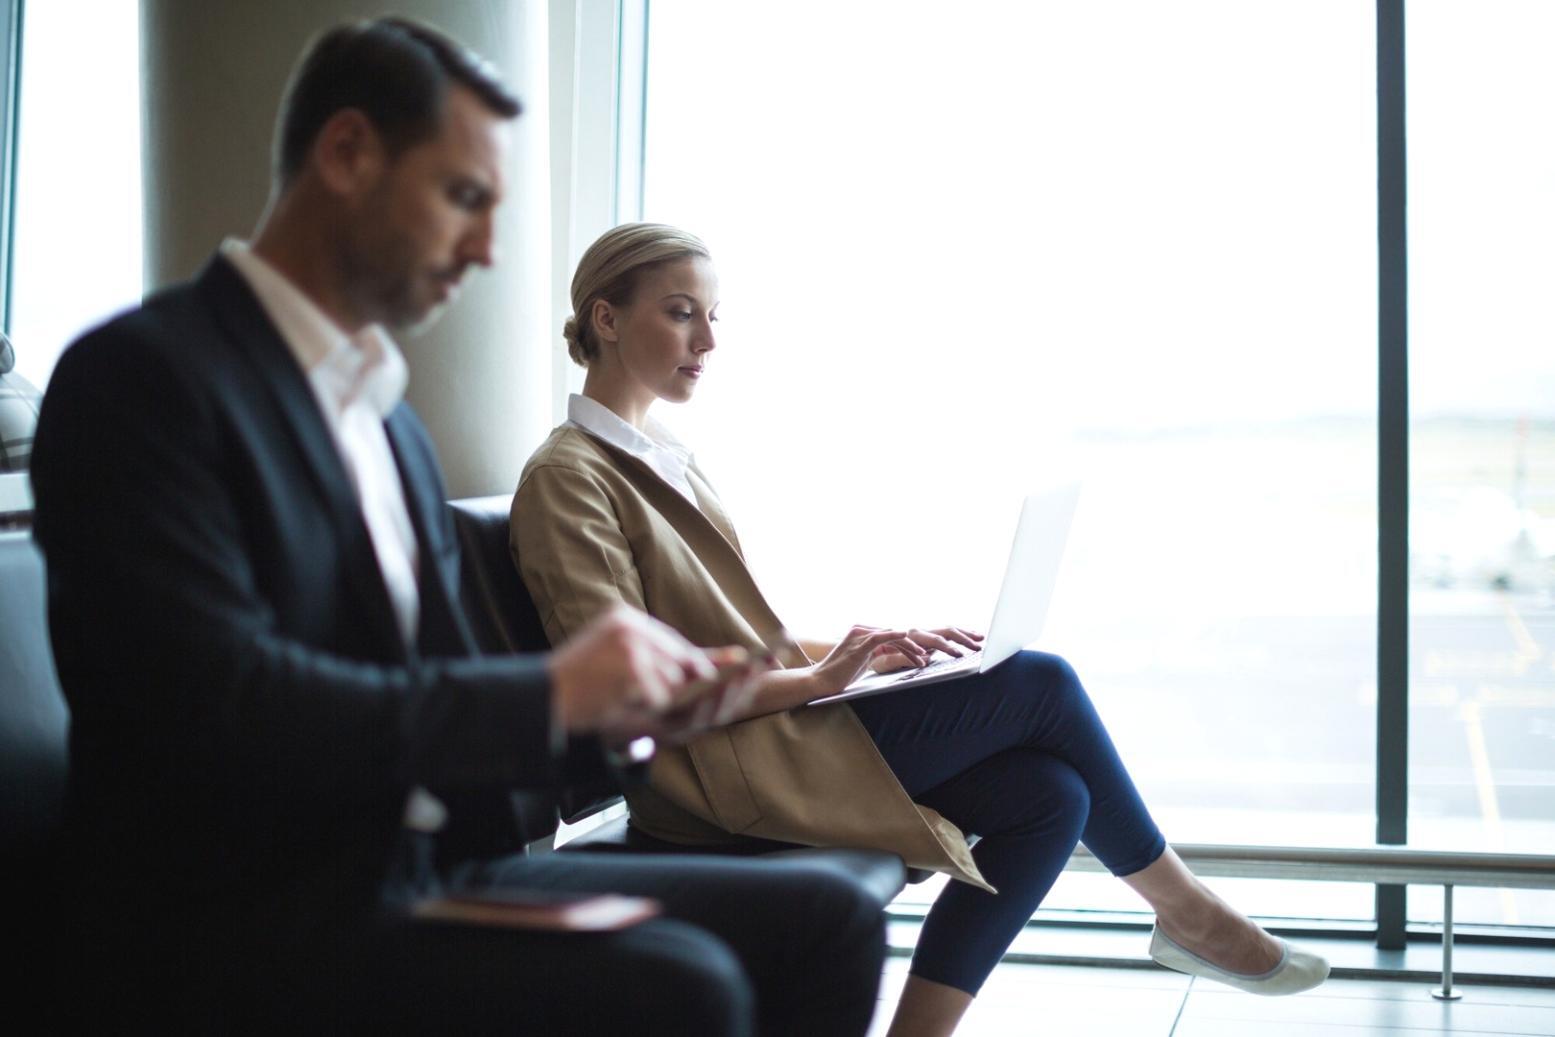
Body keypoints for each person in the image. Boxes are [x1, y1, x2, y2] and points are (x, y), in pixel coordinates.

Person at [30, 24, 885, 1036]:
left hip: (424, 873)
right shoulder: (144, 380)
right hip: (239, 914)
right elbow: (217, 700)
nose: (486, 250)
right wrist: (551, 690)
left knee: (829, 918)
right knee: (682, 980)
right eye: (464, 198)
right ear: (346, 153)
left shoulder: (387, 418)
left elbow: (449, 694)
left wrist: (641, 713)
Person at [512, 222, 1332, 1037]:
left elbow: (720, 634)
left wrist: (856, 655)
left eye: (716, 315)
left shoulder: (663, 454)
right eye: (683, 312)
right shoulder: (568, 478)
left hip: (762, 735)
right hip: (708, 772)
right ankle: (1188, 913)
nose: (709, 340)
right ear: (608, 318)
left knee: (1050, 795)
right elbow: (622, 681)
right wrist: (815, 682)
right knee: (1040, 683)